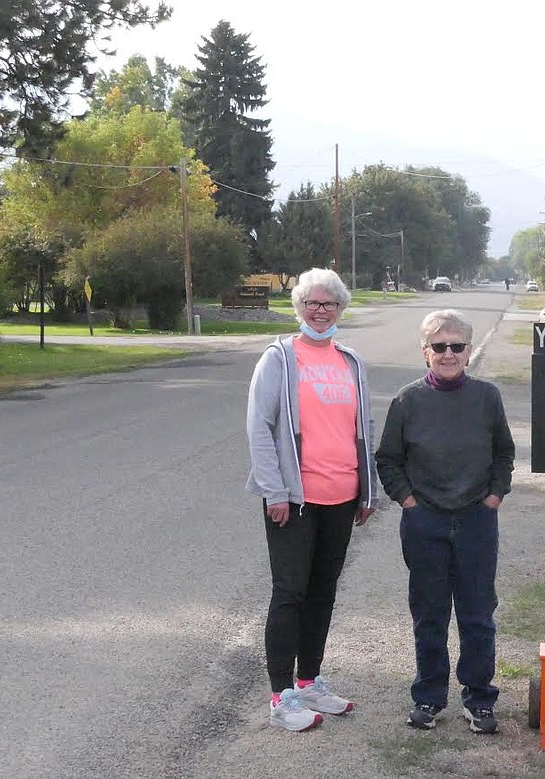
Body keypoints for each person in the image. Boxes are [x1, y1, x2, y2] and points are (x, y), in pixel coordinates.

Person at [245, 267, 380, 732]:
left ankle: (309, 680)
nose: (320, 311)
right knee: (290, 593)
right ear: (298, 307)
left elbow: (362, 430)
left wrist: (368, 489)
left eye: (329, 304)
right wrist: (274, 491)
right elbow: (260, 428)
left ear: (341, 309)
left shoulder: (351, 361)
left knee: (323, 593)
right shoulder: (280, 358)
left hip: (342, 497)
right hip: (294, 500)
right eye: (312, 303)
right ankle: (281, 696)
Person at [375, 309, 515, 735]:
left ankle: (479, 699)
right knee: (430, 614)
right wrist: (409, 502)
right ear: (426, 352)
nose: (449, 353)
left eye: (457, 346)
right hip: (425, 522)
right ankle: (429, 698)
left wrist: (494, 496)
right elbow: (388, 459)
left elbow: (504, 453)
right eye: (440, 346)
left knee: (477, 614)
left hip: (476, 520)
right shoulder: (407, 400)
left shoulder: (487, 397)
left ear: (469, 352)